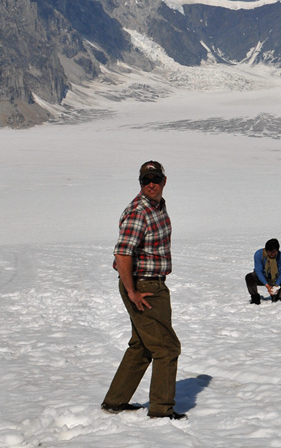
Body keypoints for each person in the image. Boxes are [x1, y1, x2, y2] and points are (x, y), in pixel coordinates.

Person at [101, 161, 186, 420]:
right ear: (140, 183)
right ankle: (161, 410)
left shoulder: (157, 205)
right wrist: (132, 292)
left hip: (152, 283)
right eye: (146, 180)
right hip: (143, 286)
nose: (151, 184)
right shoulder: (139, 211)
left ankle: (115, 401)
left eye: (155, 179)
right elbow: (123, 253)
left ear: (164, 181)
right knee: (166, 348)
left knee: (142, 346)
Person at [245, 238, 281, 305]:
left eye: (275, 252)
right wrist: (267, 286)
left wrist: (277, 285)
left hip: (273, 279)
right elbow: (258, 271)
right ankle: (255, 297)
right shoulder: (259, 254)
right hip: (260, 277)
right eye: (270, 252)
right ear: (266, 250)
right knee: (249, 277)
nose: (272, 254)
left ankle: (274, 296)